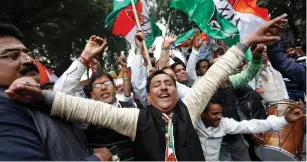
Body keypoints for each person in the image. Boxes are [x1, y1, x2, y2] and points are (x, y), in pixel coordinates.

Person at [5, 14, 289, 161]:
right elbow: (82, 107)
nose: (164, 87)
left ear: (178, 91)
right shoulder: (134, 119)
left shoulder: (190, 109)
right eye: (157, 85)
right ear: (148, 96)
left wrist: (246, 43)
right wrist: (41, 96)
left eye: (169, 83)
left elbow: (216, 73)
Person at [0, 23, 111, 161]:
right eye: (12, 55)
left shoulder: (38, 102)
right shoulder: (4, 108)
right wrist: (97, 160)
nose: (29, 59)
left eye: (27, 53)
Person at [53, 36, 136, 161]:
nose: (103, 88)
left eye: (107, 83)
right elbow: (59, 94)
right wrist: (85, 56)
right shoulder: (85, 117)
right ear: (91, 94)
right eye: (97, 85)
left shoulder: (131, 108)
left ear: (114, 87)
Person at [197, 98, 305, 161]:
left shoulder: (224, 123)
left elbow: (250, 125)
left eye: (221, 112)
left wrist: (284, 119)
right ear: (202, 114)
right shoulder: (192, 124)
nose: (220, 116)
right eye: (215, 114)